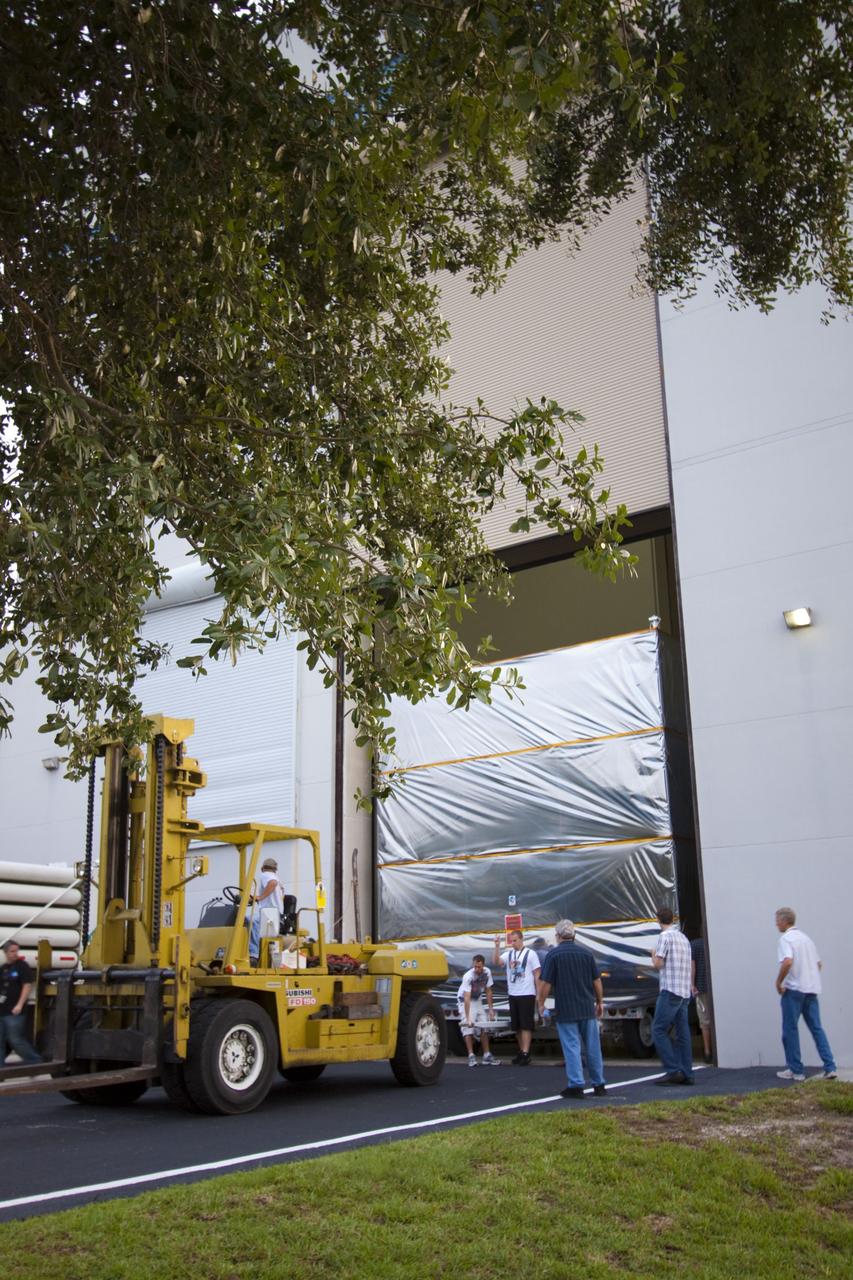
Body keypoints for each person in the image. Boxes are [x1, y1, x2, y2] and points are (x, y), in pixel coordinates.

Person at [537, 919, 606, 1099]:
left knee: (572, 1046)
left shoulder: (554, 955)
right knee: (593, 1047)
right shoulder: (586, 954)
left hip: (566, 1008)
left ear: (558, 936)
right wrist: (600, 1001)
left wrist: (540, 1003)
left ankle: (576, 1085)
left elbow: (545, 983)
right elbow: (596, 981)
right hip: (586, 1006)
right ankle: (599, 1084)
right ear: (574, 935)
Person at [774, 907, 837, 1082]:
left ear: (784, 921)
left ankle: (796, 1070)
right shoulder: (807, 939)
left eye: (777, 920)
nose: (776, 923)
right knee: (817, 1028)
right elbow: (818, 964)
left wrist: (779, 982)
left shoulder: (786, 939)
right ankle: (830, 1066)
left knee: (790, 1029)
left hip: (794, 990)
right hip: (811, 990)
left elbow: (787, 961)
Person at [651, 906, 694, 1085]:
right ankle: (687, 1072)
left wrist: (653, 955)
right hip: (684, 990)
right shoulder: (683, 937)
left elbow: (659, 964)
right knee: (683, 1033)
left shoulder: (664, 937)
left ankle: (672, 1069)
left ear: (658, 920)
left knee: (658, 1029)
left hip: (670, 989)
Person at [492, 928, 541, 1065]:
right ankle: (522, 1051)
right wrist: (496, 946)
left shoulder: (531, 954)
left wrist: (538, 994)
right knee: (517, 1026)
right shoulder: (509, 954)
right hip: (513, 993)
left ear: (521, 939)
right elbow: (497, 962)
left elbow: (537, 974)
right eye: (511, 941)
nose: (513, 943)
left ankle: (526, 1052)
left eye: (515, 940)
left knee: (526, 1025)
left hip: (527, 993)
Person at [0, 940, 43, 1067]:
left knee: (15, 1039)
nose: (15, 954)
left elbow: (27, 985)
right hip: (2, 1010)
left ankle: (34, 1061)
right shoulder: (3, 969)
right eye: (12, 951)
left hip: (15, 1011)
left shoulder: (22, 966)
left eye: (16, 951)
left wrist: (19, 1004)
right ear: (6, 952)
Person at [457, 954, 500, 1067]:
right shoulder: (468, 976)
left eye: (479, 967)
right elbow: (466, 997)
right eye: (475, 966)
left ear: (483, 965)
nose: (477, 969)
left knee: (484, 1025)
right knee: (468, 1027)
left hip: (477, 998)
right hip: (465, 999)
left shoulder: (487, 973)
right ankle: (471, 1055)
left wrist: (491, 1009)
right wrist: (468, 1017)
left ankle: (487, 1055)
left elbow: (488, 991)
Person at [248, 857, 284, 962]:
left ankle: (254, 954)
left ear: (262, 868)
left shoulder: (266, 875)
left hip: (269, 913)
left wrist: (260, 897)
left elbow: (272, 883)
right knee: (249, 919)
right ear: (275, 869)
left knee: (250, 921)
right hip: (276, 913)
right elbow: (281, 895)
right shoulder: (277, 878)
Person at [690, 934, 713, 1064]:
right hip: (714, 986)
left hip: (701, 986)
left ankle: (707, 1051)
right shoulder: (714, 942)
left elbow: (692, 967)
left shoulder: (694, 945)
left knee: (704, 1020)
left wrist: (692, 985)